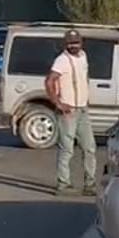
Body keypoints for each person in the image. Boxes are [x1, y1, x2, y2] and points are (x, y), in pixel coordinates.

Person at [45, 29, 96, 196]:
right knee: (67, 149)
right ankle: (63, 184)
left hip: (82, 109)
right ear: (65, 44)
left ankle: (90, 184)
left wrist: (86, 98)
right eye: (70, 43)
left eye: (76, 42)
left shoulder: (83, 56)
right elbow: (50, 81)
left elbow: (85, 77)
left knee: (89, 148)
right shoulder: (61, 60)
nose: (73, 46)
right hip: (68, 111)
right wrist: (57, 103)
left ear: (81, 43)